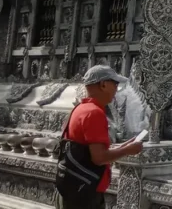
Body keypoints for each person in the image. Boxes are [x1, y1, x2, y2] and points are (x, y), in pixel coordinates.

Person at [55, 65, 144, 209]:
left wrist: (123, 147)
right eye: (115, 84)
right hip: (85, 192)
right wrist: (127, 151)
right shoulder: (94, 113)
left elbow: (88, 151)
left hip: (75, 186)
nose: (117, 89)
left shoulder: (80, 109)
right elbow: (99, 158)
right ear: (103, 85)